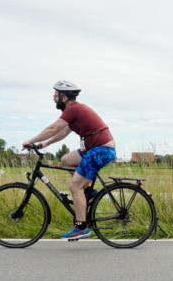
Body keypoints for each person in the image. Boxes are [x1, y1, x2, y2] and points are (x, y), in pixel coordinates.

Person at [22, 81, 117, 240]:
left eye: (55, 95)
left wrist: (30, 141)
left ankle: (81, 227)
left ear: (64, 97)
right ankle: (88, 193)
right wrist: (44, 144)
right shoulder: (75, 110)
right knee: (66, 160)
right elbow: (63, 131)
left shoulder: (73, 109)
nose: (53, 98)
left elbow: (53, 128)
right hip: (95, 149)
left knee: (74, 187)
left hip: (100, 150)